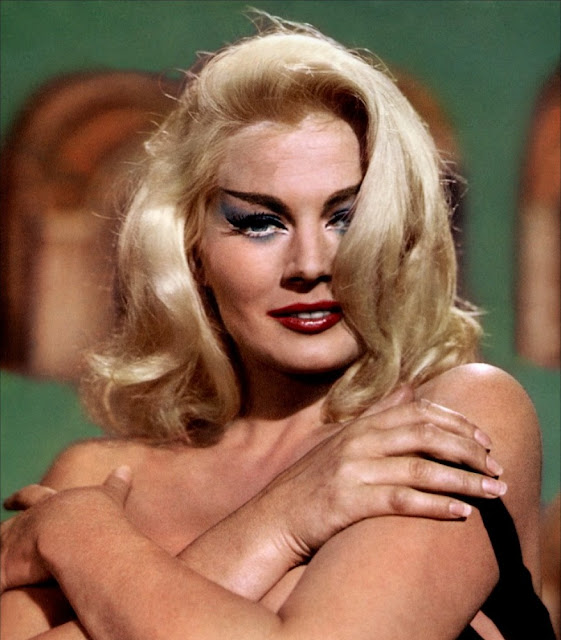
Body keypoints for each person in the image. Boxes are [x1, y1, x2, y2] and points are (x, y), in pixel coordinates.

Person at [0, 15, 555, 640]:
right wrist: (281, 518)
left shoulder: (451, 421)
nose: (311, 265)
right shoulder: (90, 480)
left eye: (347, 217)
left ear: (399, 235)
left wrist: (84, 542)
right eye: (260, 222)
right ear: (192, 249)